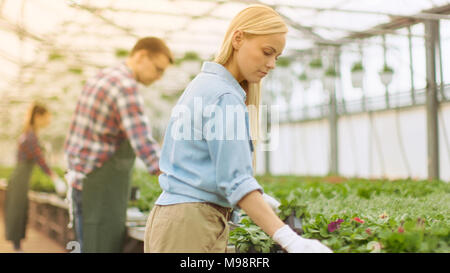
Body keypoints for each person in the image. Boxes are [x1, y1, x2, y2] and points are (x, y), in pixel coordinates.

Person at [144, 5, 332, 253]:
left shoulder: (204, 84)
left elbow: (197, 161)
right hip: (191, 225)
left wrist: (256, 199)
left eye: (277, 57)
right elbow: (236, 181)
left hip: (173, 219)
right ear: (238, 38)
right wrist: (291, 240)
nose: (272, 64)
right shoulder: (224, 96)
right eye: (267, 52)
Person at [64, 37, 173, 253]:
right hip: (99, 189)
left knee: (87, 246)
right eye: (158, 69)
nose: (159, 78)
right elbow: (143, 142)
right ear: (141, 56)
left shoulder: (103, 76)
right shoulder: (124, 86)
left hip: (81, 181)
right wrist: (173, 178)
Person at [4, 102, 61, 252]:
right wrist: (54, 177)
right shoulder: (30, 136)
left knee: (21, 210)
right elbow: (39, 160)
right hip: (19, 178)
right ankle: (17, 247)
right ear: (37, 116)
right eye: (46, 118)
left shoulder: (32, 134)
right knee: (16, 211)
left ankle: (18, 246)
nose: (48, 122)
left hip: (22, 178)